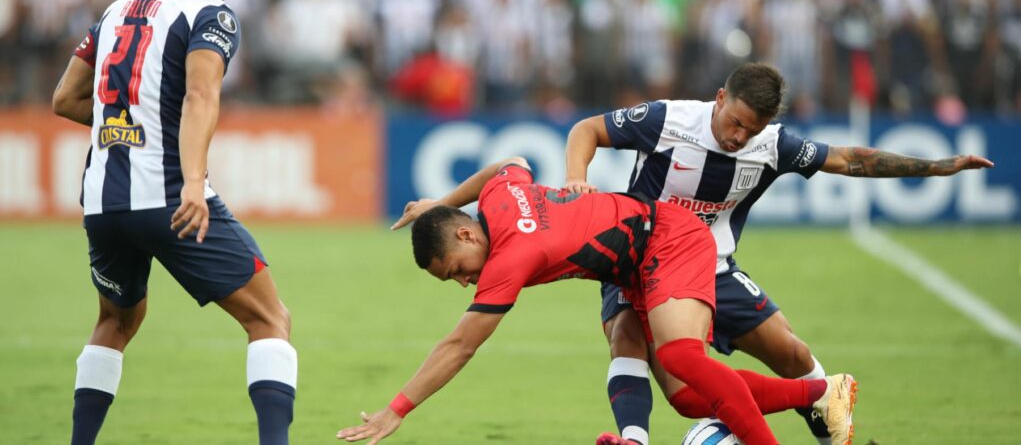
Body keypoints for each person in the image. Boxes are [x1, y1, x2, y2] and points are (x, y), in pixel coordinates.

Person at [564, 63, 994, 445]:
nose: (739, 137)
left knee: (792, 354)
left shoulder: (772, 145)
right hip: (642, 263)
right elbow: (587, 130)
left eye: (751, 130)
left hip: (713, 268)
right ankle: (633, 440)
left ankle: (828, 416)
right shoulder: (668, 120)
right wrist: (575, 180)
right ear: (720, 98)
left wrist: (935, 166)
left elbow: (850, 160)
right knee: (633, 341)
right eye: (736, 122)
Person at [337, 157, 857, 445]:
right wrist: (442, 205)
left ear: (467, 236)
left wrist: (396, 410)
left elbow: (460, 346)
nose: (463, 282)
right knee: (687, 398)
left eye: (455, 271)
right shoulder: (498, 198)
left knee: (680, 356)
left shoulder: (510, 259)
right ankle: (819, 392)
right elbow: (509, 164)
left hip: (669, 238)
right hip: (631, 267)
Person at [51, 0, 296, 445]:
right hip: (170, 196)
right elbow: (200, 94)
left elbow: (64, 99)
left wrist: (132, 127)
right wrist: (191, 182)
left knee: (115, 323)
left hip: (103, 203)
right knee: (269, 319)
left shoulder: (115, 10)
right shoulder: (211, 12)